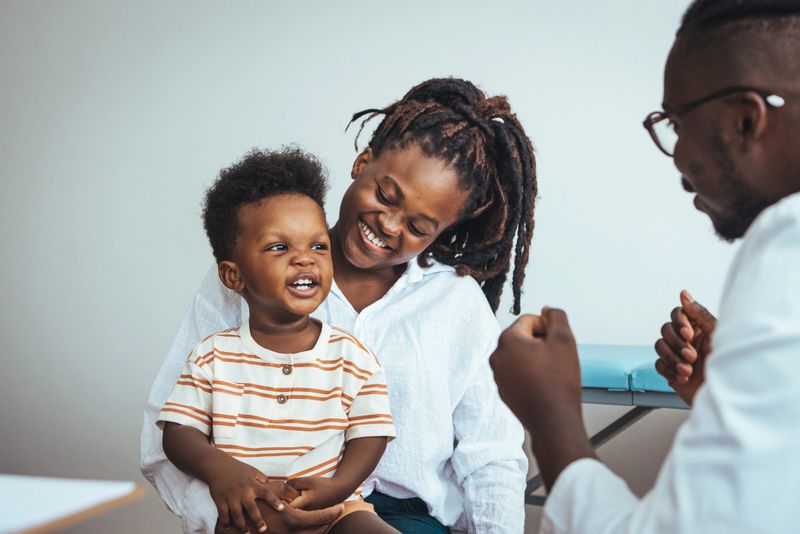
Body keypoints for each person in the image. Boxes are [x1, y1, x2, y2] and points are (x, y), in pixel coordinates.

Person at [141, 78, 538, 533]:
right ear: (362, 162)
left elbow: (492, 456)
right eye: (385, 195)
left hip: (404, 520)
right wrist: (231, 511)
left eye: (420, 225)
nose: (388, 224)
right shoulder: (248, 278)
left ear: (443, 232)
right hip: (261, 507)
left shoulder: (457, 305)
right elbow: (167, 434)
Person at [490, 1, 800, 532]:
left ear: (747, 120)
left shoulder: (786, 239)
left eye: (677, 123)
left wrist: (552, 419)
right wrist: (724, 394)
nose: (676, 159)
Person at [157, 147, 399, 534]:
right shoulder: (212, 356)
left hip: (335, 509)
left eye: (318, 246)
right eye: (279, 247)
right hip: (251, 508)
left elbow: (370, 435)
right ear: (234, 276)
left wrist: (337, 487)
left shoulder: (352, 356)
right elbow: (178, 433)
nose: (305, 260)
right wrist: (222, 471)